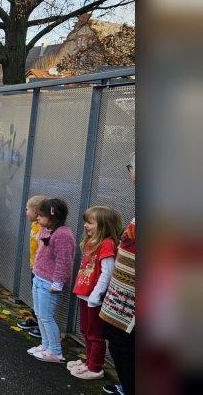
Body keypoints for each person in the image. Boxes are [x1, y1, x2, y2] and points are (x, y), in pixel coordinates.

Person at [67, 206, 122, 380]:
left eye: (90, 222)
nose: (86, 225)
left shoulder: (107, 244)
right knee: (85, 330)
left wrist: (96, 294)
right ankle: (88, 362)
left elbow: (108, 271)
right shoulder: (91, 242)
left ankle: (95, 367)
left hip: (94, 297)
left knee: (95, 334)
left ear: (103, 225)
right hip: (86, 294)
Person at [99, 153, 136, 395]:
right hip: (125, 304)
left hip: (134, 307)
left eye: (130, 168)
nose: (130, 173)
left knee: (125, 349)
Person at [27, 198, 76, 363]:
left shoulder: (63, 234)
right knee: (40, 315)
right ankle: (45, 345)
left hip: (49, 282)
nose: (38, 218)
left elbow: (64, 261)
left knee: (47, 316)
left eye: (41, 216)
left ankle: (55, 351)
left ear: (53, 216)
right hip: (39, 277)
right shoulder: (45, 229)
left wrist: (58, 282)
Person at [17, 195, 50, 337]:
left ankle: (42, 325)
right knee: (35, 293)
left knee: (42, 297)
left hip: (43, 270)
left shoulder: (45, 229)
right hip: (34, 266)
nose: (25, 212)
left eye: (27, 209)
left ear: (36, 211)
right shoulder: (34, 225)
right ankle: (35, 318)